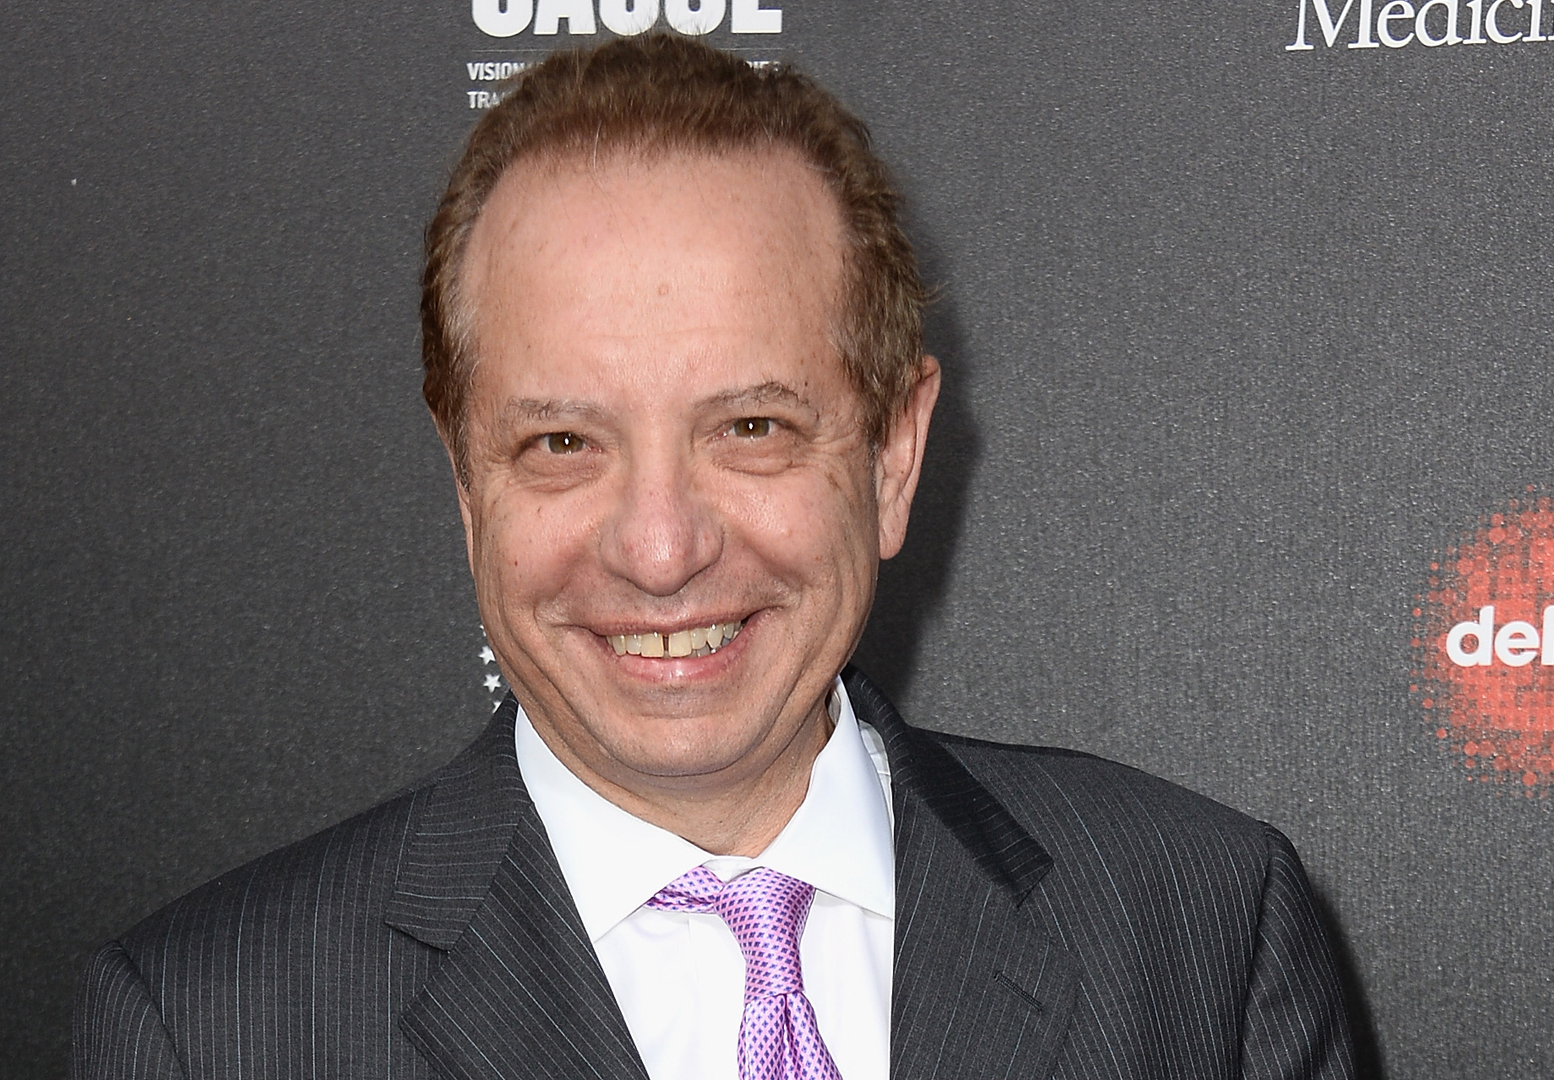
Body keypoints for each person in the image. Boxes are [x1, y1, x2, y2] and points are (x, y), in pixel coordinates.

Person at [73, 34, 1354, 1080]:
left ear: (894, 456)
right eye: (564, 441)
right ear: (465, 480)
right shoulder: (212, 1030)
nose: (661, 547)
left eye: (751, 429)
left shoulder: (1199, 929)